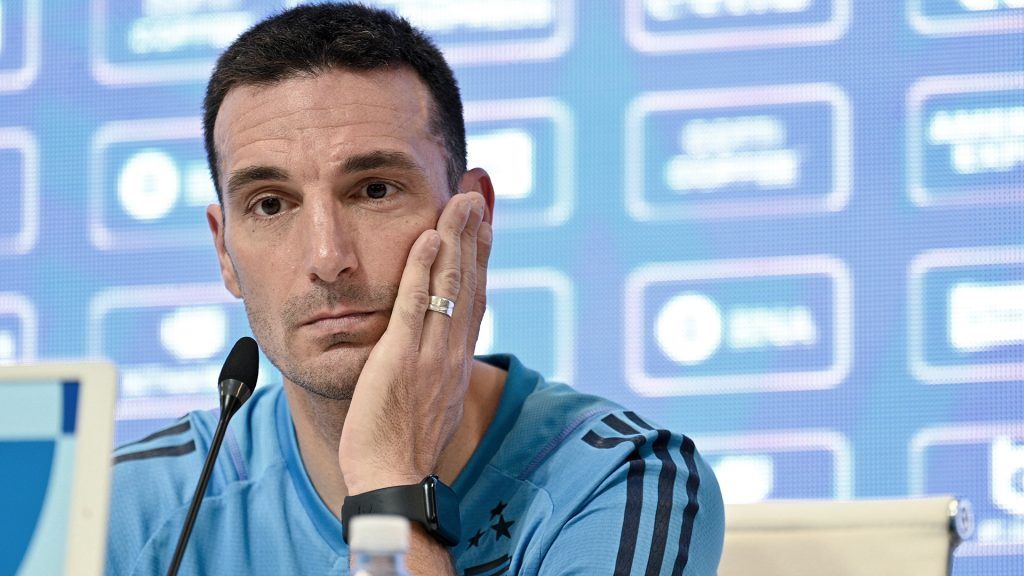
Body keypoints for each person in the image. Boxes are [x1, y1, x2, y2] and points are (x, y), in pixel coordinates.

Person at [105, 3, 724, 574]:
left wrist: (390, 484)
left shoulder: (623, 481)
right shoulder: (125, 510)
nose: (327, 258)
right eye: (270, 204)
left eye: (374, 190)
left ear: (473, 216)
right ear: (224, 251)